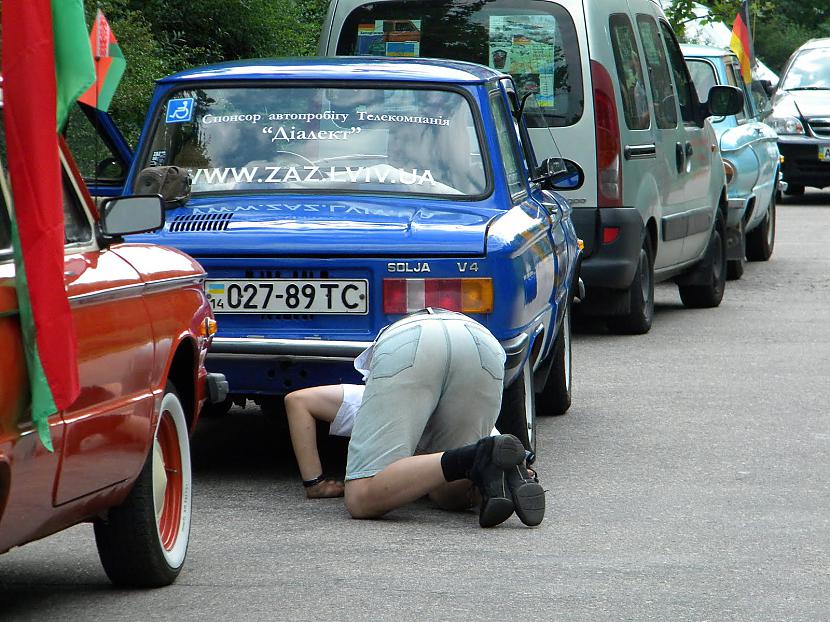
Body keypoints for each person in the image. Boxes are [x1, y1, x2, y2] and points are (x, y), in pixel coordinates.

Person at [343, 308, 545, 528]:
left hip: (410, 339)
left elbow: (303, 400)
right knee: (449, 496)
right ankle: (500, 474)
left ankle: (478, 455)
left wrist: (314, 482)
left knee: (360, 497)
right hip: (481, 340)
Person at [284, 383, 364, 499]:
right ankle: (315, 485)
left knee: (360, 505)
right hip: (377, 391)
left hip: (391, 399)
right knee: (297, 400)